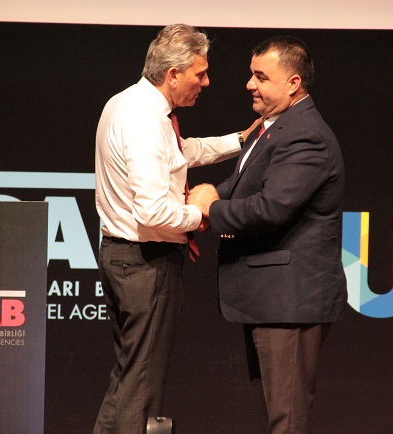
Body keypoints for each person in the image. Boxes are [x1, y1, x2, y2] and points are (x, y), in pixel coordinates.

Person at [93, 23, 259, 434]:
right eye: (200, 73)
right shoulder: (145, 121)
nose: (207, 82)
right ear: (173, 75)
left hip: (124, 257)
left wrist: (239, 140)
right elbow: (152, 212)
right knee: (142, 386)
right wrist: (202, 214)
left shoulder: (128, 103)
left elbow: (179, 152)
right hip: (146, 263)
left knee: (130, 376)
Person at [188, 36, 347, 433]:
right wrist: (210, 198)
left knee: (286, 419)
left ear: (293, 83)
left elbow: (270, 207)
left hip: (289, 302)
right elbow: (244, 183)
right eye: (251, 74)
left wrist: (211, 209)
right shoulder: (275, 126)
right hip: (272, 300)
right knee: (279, 413)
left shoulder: (305, 134)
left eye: (261, 77)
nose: (249, 84)